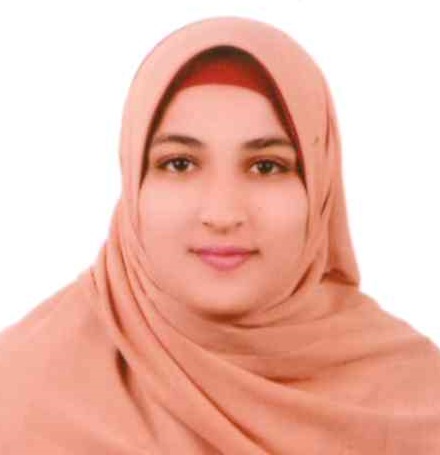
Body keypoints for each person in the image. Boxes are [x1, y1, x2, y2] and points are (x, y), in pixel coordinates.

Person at [1, 15, 440, 454]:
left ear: (320, 186)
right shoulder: (21, 396)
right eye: (179, 163)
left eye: (266, 166)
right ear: (133, 181)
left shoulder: (416, 398)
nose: (222, 213)